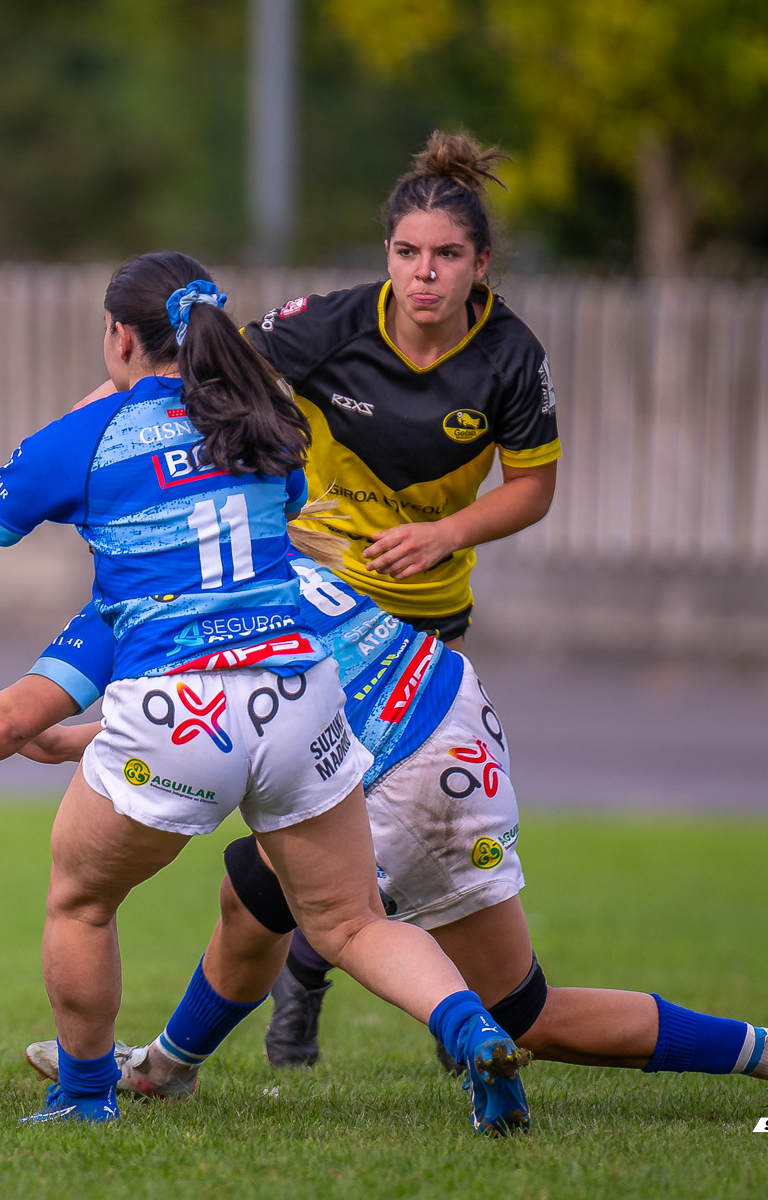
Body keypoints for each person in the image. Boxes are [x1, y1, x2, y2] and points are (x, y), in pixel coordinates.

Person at [0, 250, 532, 1133]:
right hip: (301, 695)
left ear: (119, 337)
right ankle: (473, 1029)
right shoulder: (268, 420)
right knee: (347, 924)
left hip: (179, 713)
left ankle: (85, 1095)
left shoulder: (89, 441)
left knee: (82, 900)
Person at [0, 544, 768, 1122]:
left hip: (387, 765)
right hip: (452, 720)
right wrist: (80, 739)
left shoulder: (153, 581)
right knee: (274, 897)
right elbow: (222, 694)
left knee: (324, 915)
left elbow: (145, 711)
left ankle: (179, 1070)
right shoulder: (252, 542)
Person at [244, 129, 562, 1050]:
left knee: (393, 822)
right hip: (320, 603)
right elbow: (213, 378)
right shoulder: (331, 324)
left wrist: (444, 534)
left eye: (448, 255)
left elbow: (533, 489)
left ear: (481, 265)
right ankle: (329, 977)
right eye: (408, 252)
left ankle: (325, 969)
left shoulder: (510, 356)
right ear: (386, 254)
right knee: (307, 821)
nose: (426, 273)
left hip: (426, 620)